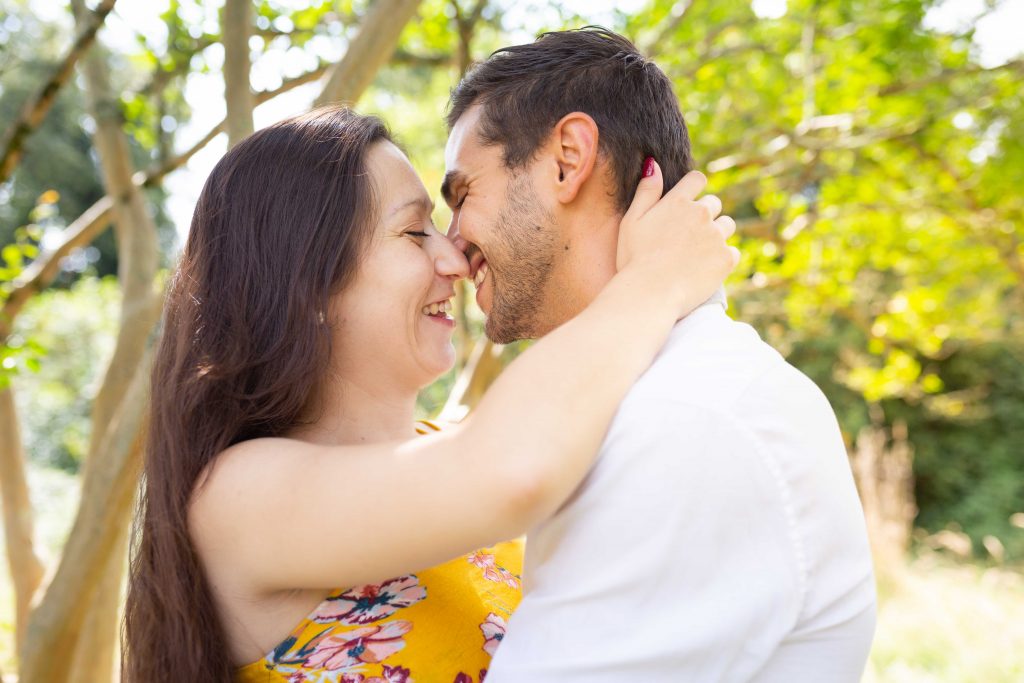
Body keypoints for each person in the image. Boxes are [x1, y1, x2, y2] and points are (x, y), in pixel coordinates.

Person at [121, 106, 737, 682]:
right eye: (415, 232)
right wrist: (656, 279)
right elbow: (509, 471)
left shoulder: (454, 446)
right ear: (306, 287)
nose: (456, 257)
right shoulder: (236, 499)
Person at [443, 27, 877, 682]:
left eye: (461, 194)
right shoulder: (646, 400)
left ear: (567, 158)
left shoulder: (685, 419)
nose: (449, 247)